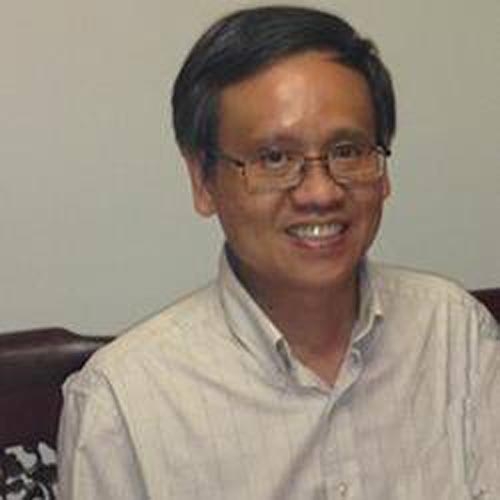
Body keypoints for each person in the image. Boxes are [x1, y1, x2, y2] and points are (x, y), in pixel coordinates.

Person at [57, 5, 500, 500]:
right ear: (203, 180)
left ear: (383, 170)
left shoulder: (453, 332)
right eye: (274, 158)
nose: (320, 192)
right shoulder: (122, 404)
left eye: (347, 151)